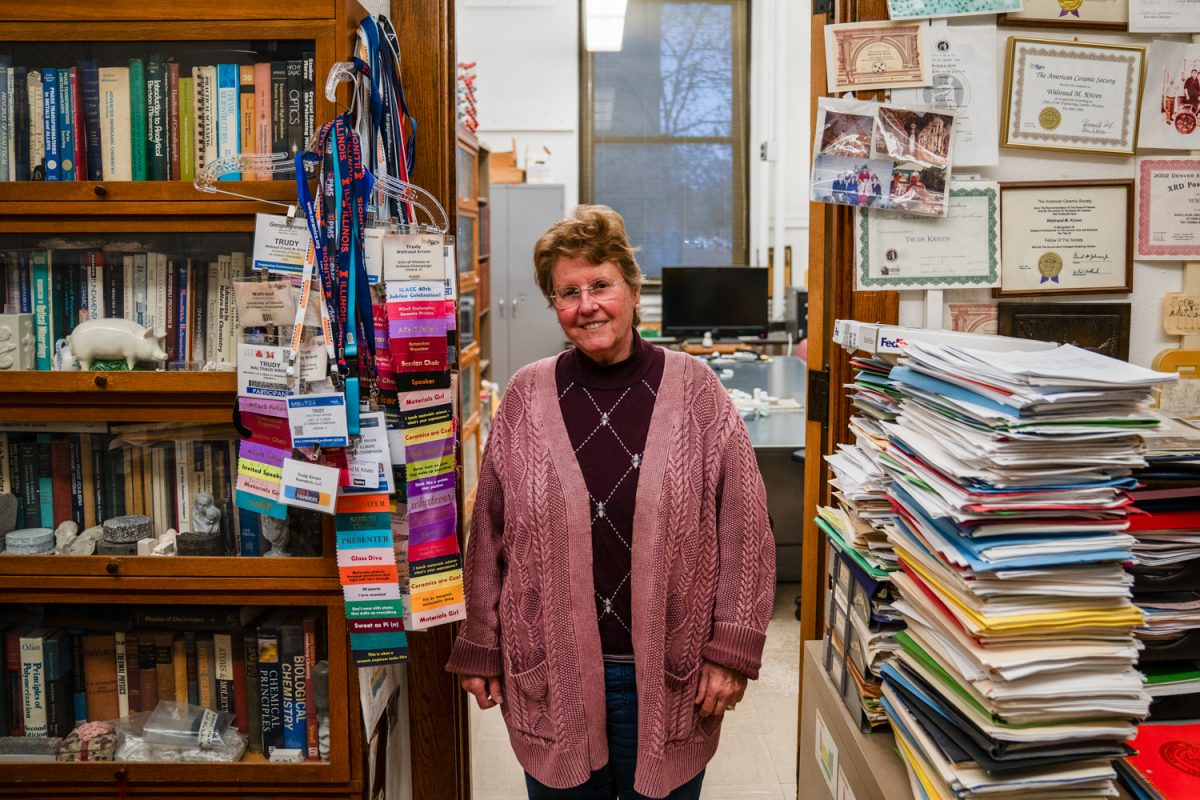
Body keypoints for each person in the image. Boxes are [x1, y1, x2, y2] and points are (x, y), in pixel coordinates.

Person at [447, 204, 776, 800]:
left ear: (631, 287)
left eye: (600, 285)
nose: (587, 304)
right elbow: (488, 533)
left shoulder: (697, 390)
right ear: (554, 306)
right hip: (551, 673)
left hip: (673, 679)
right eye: (567, 292)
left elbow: (746, 527)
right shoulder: (525, 395)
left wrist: (732, 649)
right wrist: (480, 641)